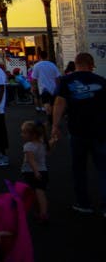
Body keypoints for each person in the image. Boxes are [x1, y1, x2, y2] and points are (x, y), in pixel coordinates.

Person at [50, 51, 106, 215]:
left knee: (79, 169)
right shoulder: (101, 81)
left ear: (75, 64)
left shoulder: (67, 80)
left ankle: (83, 203)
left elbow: (59, 104)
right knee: (103, 169)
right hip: (100, 132)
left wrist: (55, 125)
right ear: (91, 65)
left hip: (78, 131)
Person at [19, 120, 49, 223]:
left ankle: (40, 212)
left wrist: (36, 172)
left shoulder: (28, 146)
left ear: (33, 134)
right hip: (43, 171)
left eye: (24, 132)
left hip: (32, 172)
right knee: (40, 192)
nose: (21, 134)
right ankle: (42, 212)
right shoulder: (42, 144)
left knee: (35, 193)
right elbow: (47, 153)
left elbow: (31, 160)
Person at [29, 50, 60, 119]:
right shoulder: (52, 65)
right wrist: (58, 86)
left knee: (45, 102)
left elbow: (34, 78)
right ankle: (52, 115)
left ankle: (49, 115)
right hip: (53, 87)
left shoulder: (37, 65)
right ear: (47, 56)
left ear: (39, 56)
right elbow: (58, 77)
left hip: (43, 88)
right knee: (52, 103)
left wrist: (33, 87)